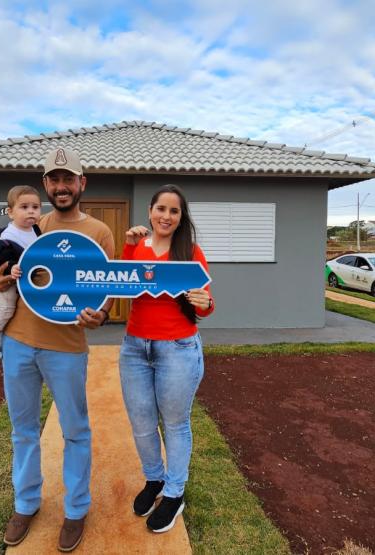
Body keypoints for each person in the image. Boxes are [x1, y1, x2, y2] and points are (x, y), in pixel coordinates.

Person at [0, 147, 114, 552]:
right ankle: (26, 503)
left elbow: (106, 288)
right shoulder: (29, 225)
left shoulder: (98, 232)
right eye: (54, 180)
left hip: (67, 348)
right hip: (19, 342)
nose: (61, 186)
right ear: (46, 185)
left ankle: (75, 510)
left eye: (68, 179)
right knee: (23, 431)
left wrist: (103, 314)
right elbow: (0, 275)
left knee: (75, 431)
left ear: (81, 183)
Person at [119, 184, 214, 533]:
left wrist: (206, 303)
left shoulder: (190, 251)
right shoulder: (136, 246)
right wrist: (129, 245)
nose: (166, 216)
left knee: (175, 424)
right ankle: (154, 480)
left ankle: (175, 492)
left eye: (174, 211)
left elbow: (205, 302)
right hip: (134, 348)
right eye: (161, 209)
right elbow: (124, 284)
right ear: (150, 211)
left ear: (180, 217)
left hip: (177, 348)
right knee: (142, 424)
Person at [0, 185, 42, 360]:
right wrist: (11, 267)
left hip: (21, 277)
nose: (31, 212)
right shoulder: (9, 236)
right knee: (7, 307)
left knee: (3, 300)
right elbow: (0, 259)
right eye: (24, 207)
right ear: (10, 212)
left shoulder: (35, 230)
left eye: (35, 207)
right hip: (8, 276)